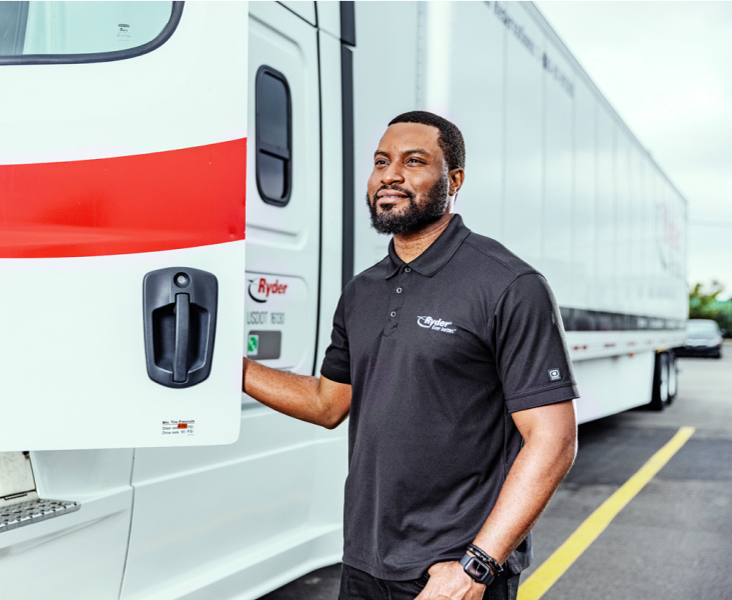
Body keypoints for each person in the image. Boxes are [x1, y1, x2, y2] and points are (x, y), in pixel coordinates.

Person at [243, 111, 578, 600]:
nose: (390, 175)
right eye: (381, 162)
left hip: (453, 571)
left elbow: (553, 440)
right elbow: (326, 403)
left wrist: (477, 565)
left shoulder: (508, 284)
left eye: (413, 161)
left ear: (454, 180)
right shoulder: (363, 291)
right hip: (363, 562)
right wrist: (234, 371)